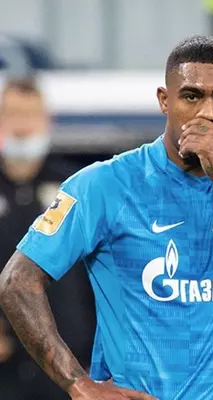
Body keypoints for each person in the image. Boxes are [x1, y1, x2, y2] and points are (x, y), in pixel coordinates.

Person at [0, 36, 213, 400]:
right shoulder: (104, 185)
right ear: (164, 100)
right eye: (191, 96)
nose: (207, 113)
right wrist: (78, 384)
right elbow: (17, 280)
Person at [0, 77, 95, 400]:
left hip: (71, 366)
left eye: (30, 114)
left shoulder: (75, 186)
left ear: (47, 121)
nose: (23, 126)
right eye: (13, 114)